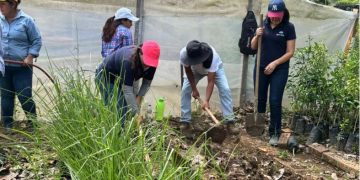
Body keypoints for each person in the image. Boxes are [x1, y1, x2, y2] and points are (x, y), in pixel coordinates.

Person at [250, 0, 296, 146]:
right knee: (260, 99)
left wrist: (275, 63)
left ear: (283, 13)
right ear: (268, 14)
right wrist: (257, 35)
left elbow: (290, 52)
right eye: (272, 15)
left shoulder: (289, 27)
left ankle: (274, 133)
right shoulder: (262, 24)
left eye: (277, 15)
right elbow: (252, 47)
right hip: (260, 68)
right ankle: (259, 128)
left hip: (279, 69)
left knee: (275, 101)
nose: (275, 18)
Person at [95, 40, 160, 127]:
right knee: (116, 109)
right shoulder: (128, 60)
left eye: (150, 63)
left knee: (126, 106)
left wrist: (139, 98)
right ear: (140, 52)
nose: (147, 66)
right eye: (146, 62)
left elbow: (146, 84)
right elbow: (127, 91)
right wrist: (136, 114)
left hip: (119, 78)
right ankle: (116, 134)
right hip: (105, 76)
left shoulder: (152, 65)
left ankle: (125, 130)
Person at [179, 40, 239, 134]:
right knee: (185, 90)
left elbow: (211, 81)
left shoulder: (212, 56)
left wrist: (206, 100)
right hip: (195, 71)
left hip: (215, 69)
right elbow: (188, 71)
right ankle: (185, 121)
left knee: (225, 89)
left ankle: (229, 121)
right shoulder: (184, 54)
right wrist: (194, 89)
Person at [0, 0, 42, 131]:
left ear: (12, 4)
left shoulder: (27, 20)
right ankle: (7, 125)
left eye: (2, 4)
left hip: (22, 67)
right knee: (6, 96)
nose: (0, 7)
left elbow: (36, 41)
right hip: (3, 67)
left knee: (24, 96)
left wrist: (30, 57)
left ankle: (33, 123)